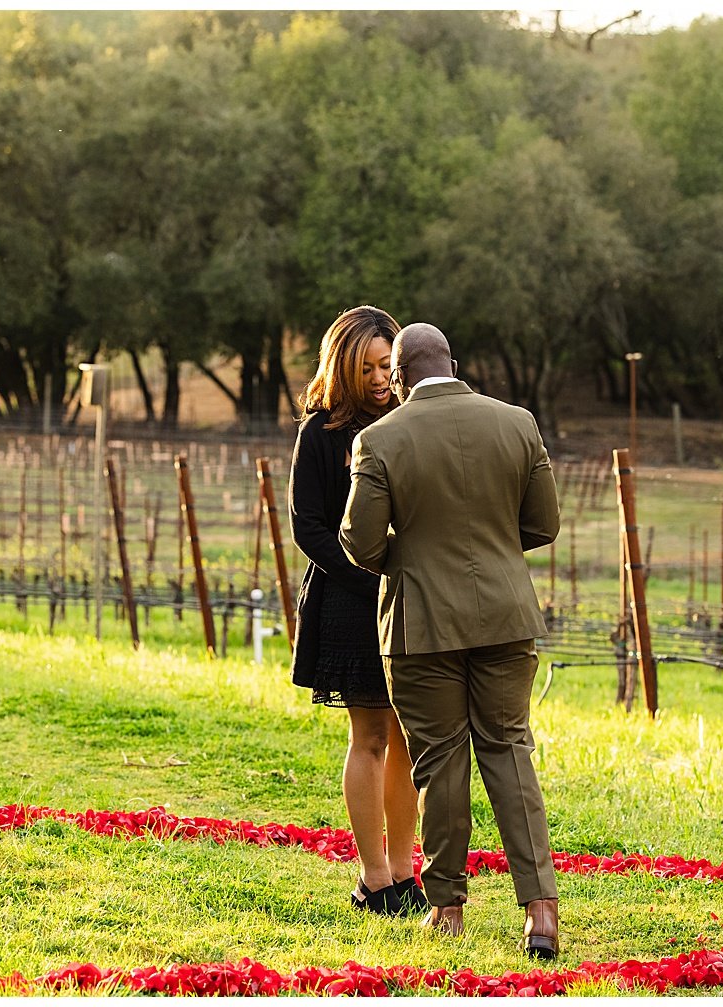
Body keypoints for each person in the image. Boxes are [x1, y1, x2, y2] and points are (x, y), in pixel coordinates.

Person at [339, 322, 562, 959]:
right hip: (508, 616)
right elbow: (542, 523)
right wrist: (489, 553)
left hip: (420, 625)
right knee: (509, 748)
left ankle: (447, 909)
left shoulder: (377, 441)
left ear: (402, 378)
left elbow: (358, 542)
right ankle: (540, 910)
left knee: (438, 758)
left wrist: (412, 564)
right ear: (454, 364)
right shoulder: (518, 424)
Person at [287, 305, 425, 917]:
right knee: (368, 734)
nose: (377, 377)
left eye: (385, 365)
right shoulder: (319, 434)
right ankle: (373, 879)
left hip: (406, 600)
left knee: (405, 738)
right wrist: (366, 571)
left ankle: (403, 871)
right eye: (365, 366)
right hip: (348, 603)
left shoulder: (410, 424)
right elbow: (307, 526)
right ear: (343, 366)